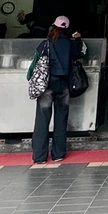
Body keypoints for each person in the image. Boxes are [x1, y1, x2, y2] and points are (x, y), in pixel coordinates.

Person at [32, 16, 83, 164]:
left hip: (47, 84)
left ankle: (39, 156)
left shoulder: (45, 44)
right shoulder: (71, 44)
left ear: (53, 27)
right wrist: (78, 39)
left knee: (42, 119)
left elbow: (35, 63)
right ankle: (58, 154)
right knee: (61, 119)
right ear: (67, 29)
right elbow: (81, 53)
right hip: (64, 86)